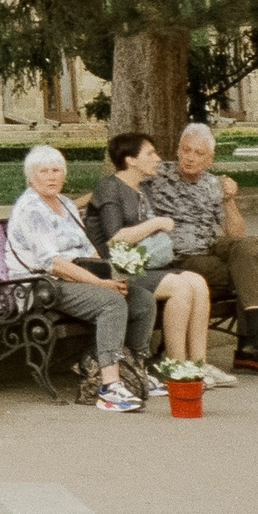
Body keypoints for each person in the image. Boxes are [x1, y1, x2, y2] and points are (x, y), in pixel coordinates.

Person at [6, 144, 144, 411]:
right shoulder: (31, 209)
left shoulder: (65, 204)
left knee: (140, 296)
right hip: (41, 285)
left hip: (73, 277)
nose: (51, 176)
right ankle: (109, 387)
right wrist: (102, 283)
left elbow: (87, 248)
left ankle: (134, 370)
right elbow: (54, 263)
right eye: (43, 171)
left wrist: (108, 272)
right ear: (31, 177)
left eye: (56, 170)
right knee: (111, 302)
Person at [89, 131, 231, 385]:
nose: (157, 158)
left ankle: (199, 364)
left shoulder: (141, 188)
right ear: (131, 160)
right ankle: (176, 368)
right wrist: (156, 223)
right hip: (115, 270)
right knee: (180, 288)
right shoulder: (111, 187)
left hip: (143, 264)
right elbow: (115, 240)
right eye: (150, 153)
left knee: (197, 282)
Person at [148, 123, 258, 375]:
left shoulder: (213, 184)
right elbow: (118, 186)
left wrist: (229, 199)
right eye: (186, 150)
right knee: (251, 270)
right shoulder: (158, 175)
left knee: (245, 248)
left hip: (209, 245)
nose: (190, 157)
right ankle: (252, 343)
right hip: (179, 255)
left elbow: (235, 233)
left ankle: (254, 340)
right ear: (177, 150)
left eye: (198, 153)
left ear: (210, 158)